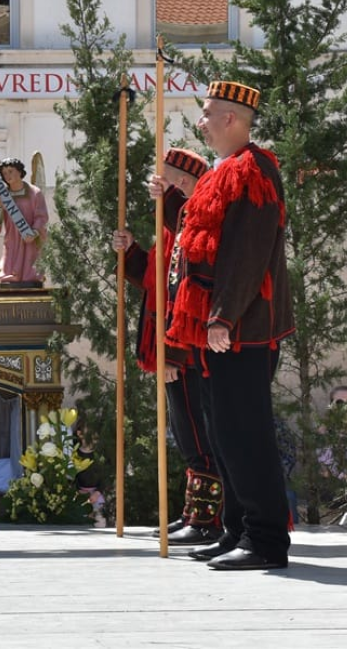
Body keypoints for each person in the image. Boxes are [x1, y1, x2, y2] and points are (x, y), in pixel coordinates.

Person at [168, 80, 295, 570]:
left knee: (247, 433)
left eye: (206, 112)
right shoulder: (226, 170)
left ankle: (265, 540)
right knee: (223, 432)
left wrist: (222, 315)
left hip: (242, 327)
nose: (199, 121)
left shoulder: (254, 172)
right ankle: (237, 529)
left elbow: (247, 254)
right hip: (217, 329)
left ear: (231, 119)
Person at [111, 148, 222, 545]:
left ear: (187, 184)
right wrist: (131, 253)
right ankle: (196, 510)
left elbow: (185, 297)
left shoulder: (197, 224)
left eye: (170, 182)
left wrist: (172, 352)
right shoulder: (171, 229)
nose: (160, 189)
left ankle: (209, 517)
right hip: (171, 346)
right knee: (185, 431)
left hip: (188, 351)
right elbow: (154, 282)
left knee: (197, 432)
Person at [0, 157, 48, 287]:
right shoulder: (3, 195)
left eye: (10, 171)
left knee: (30, 264)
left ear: (20, 172)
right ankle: (9, 276)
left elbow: (41, 216)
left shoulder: (34, 193)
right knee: (9, 263)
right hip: (12, 238)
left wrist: (35, 232)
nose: (7, 175)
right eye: (4, 173)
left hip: (29, 238)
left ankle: (31, 277)